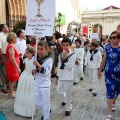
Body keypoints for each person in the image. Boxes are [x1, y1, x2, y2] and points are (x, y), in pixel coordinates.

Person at [98, 31, 120, 120]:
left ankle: (113, 102)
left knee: (117, 91)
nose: (112, 39)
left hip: (119, 75)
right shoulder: (107, 47)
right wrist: (99, 70)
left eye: (114, 37)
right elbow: (104, 60)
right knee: (110, 92)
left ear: (119, 38)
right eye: (111, 38)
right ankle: (109, 113)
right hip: (109, 74)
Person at [33, 41, 53, 120]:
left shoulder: (49, 60)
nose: (39, 51)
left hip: (45, 84)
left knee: (45, 104)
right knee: (37, 102)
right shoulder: (35, 58)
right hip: (37, 83)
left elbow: (47, 73)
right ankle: (46, 112)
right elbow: (33, 70)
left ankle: (46, 117)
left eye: (42, 49)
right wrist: (33, 71)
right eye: (38, 49)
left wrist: (38, 65)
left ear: (46, 50)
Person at [56, 37, 76, 116]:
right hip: (61, 76)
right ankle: (65, 100)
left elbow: (70, 67)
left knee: (68, 94)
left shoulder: (73, 55)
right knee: (58, 91)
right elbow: (59, 66)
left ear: (70, 46)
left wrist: (65, 58)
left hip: (68, 77)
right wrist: (57, 76)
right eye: (63, 45)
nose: (65, 47)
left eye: (67, 45)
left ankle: (69, 108)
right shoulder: (60, 54)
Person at [14, 47, 36, 117]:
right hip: (25, 74)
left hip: (31, 76)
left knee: (30, 91)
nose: (26, 54)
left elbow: (34, 69)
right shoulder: (25, 59)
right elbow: (25, 67)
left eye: (28, 53)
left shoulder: (34, 60)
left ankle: (30, 108)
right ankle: (20, 107)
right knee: (22, 90)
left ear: (32, 53)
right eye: (26, 53)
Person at [6, 32, 20, 98]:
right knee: (12, 79)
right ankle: (10, 93)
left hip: (13, 65)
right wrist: (17, 68)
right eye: (15, 37)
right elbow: (12, 58)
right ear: (12, 38)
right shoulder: (11, 47)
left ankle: (10, 91)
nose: (16, 38)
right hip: (12, 65)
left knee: (13, 79)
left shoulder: (12, 46)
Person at [0, 24, 9, 93]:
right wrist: (2, 58)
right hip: (3, 55)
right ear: (3, 29)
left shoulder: (7, 35)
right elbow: (0, 48)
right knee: (3, 72)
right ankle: (3, 86)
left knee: (7, 71)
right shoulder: (0, 36)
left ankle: (7, 84)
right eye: (6, 27)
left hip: (8, 55)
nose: (8, 28)